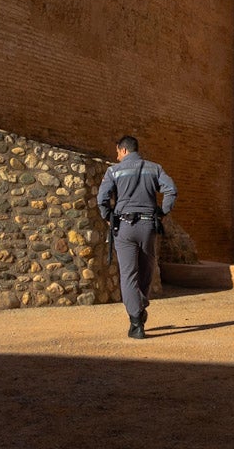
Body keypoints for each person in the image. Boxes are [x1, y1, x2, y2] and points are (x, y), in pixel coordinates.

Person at [97, 135, 177, 339]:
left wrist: (108, 218)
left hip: (124, 227)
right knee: (147, 270)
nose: (116, 157)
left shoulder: (114, 171)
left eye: (117, 152)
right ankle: (140, 308)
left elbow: (102, 199)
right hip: (148, 226)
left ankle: (136, 321)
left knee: (128, 274)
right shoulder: (154, 168)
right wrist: (162, 212)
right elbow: (171, 190)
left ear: (124, 150)